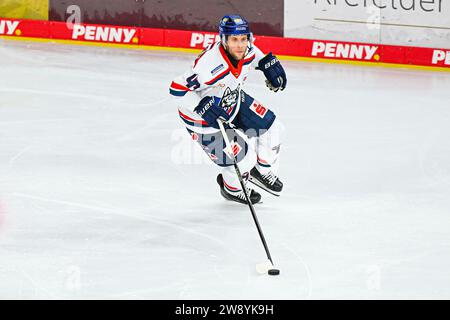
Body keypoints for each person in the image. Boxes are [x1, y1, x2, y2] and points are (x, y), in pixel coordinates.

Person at [169, 14, 287, 204]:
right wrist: (200, 105)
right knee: (242, 159)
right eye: (234, 40)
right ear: (223, 40)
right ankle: (231, 189)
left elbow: (253, 53)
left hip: (232, 99)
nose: (240, 45)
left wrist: (265, 62)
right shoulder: (209, 66)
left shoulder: (246, 49)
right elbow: (176, 88)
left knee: (273, 129)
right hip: (203, 119)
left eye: (243, 39)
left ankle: (262, 172)